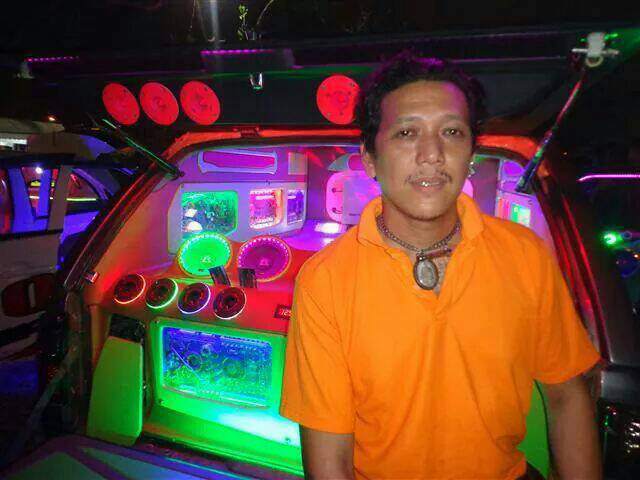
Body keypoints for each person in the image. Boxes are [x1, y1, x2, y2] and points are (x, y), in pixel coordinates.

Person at [280, 51, 602, 480]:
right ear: (370, 158)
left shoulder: (525, 255)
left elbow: (567, 396)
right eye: (406, 132)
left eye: (451, 132)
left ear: (471, 153)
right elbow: (329, 459)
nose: (431, 154)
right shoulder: (326, 280)